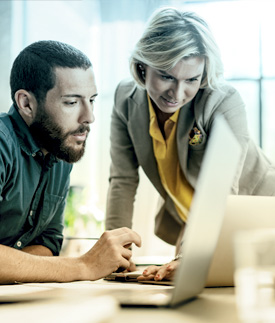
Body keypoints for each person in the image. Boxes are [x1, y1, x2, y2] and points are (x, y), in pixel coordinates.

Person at [105, 7, 275, 282]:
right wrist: (114, 254)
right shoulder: (125, 99)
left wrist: (190, 255)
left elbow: (220, 191)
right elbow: (122, 180)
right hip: (196, 221)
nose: (177, 93)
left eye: (192, 80)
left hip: (258, 217)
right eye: (167, 76)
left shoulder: (222, 101)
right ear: (142, 66)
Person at [0, 40, 141, 286]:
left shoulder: (58, 151)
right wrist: (84, 265)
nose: (89, 117)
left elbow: (48, 244)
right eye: (72, 102)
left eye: (91, 100)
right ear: (26, 103)